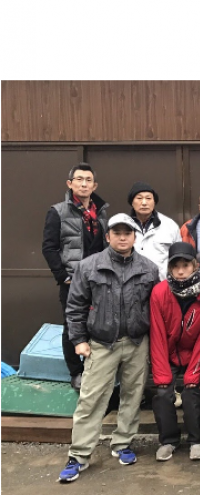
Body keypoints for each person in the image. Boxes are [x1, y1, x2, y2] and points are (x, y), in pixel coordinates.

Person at [57, 214, 160, 483]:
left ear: (135, 237)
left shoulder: (149, 269)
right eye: (117, 233)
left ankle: (122, 443)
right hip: (101, 344)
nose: (122, 237)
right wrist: (79, 340)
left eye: (127, 233)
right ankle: (79, 454)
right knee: (91, 399)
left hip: (137, 342)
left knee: (133, 395)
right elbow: (75, 306)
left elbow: (156, 308)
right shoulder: (89, 266)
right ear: (108, 236)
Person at [150, 242, 200, 462]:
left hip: (197, 354)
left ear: (195, 265)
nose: (180, 271)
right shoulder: (159, 292)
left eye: (186, 265)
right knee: (162, 393)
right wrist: (162, 374)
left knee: (192, 392)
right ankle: (168, 440)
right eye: (175, 266)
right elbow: (157, 335)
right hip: (169, 353)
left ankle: (197, 439)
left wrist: (194, 373)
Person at [42, 162, 109, 391]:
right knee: (72, 325)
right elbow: (49, 248)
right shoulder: (58, 212)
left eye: (88, 180)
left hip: (98, 280)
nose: (84, 184)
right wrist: (63, 277)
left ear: (94, 185)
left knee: (98, 323)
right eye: (79, 179)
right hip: (72, 280)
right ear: (70, 184)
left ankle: (95, 369)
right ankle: (76, 372)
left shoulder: (101, 213)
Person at [128, 181, 182, 280]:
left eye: (148, 198)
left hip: (162, 283)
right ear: (132, 202)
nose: (144, 203)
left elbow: (179, 257)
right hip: (131, 283)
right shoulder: (124, 225)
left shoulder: (169, 225)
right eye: (139, 198)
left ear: (154, 202)